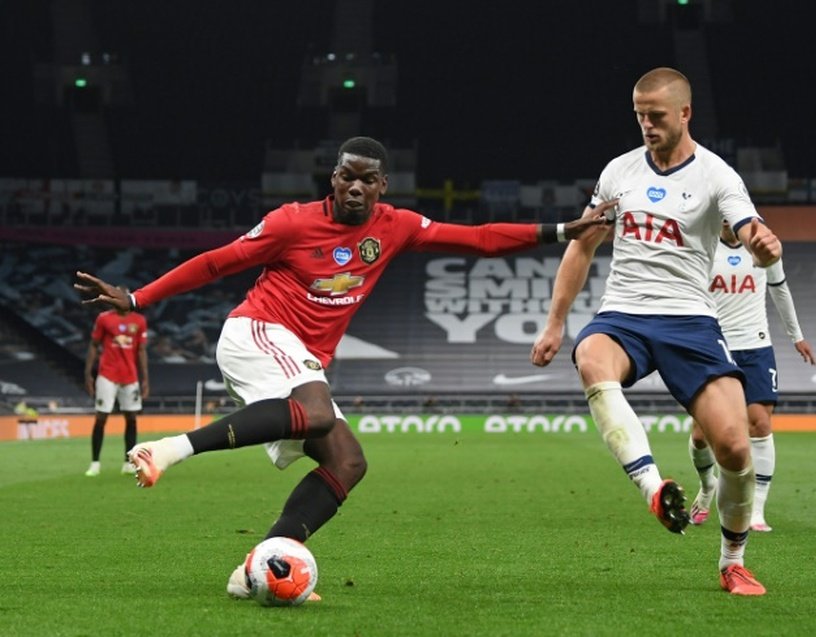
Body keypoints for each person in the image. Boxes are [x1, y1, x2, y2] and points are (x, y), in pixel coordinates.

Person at [75, 136, 613, 601]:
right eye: (347, 177)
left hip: (298, 359)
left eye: (368, 180)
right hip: (256, 333)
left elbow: (477, 238)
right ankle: (166, 449)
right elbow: (218, 261)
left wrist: (565, 229)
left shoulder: (396, 227)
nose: (356, 188)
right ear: (333, 179)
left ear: (383, 186)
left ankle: (257, 567)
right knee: (315, 413)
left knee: (348, 462)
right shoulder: (290, 222)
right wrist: (138, 297)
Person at [530, 68, 781, 596]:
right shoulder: (618, 173)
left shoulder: (717, 175)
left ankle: (732, 561)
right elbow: (582, 246)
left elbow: (746, 228)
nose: (646, 124)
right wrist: (556, 323)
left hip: (691, 320)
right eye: (639, 115)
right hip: (624, 313)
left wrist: (760, 244)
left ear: (685, 113)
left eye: (657, 116)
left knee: (735, 448)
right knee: (592, 357)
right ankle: (651, 486)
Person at [687, 220, 816, 532]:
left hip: (755, 346)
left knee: (759, 423)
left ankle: (756, 510)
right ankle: (707, 486)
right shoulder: (701, 245)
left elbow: (779, 288)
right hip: (713, 345)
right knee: (702, 434)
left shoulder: (762, 243)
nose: (729, 222)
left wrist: (795, 335)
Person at [83, 292, 149, 476]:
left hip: (130, 377)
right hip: (107, 375)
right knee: (101, 417)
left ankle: (128, 462)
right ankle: (95, 463)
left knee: (131, 418)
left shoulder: (139, 321)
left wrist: (145, 379)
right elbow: (94, 345)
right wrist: (88, 373)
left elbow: (142, 351)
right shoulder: (104, 319)